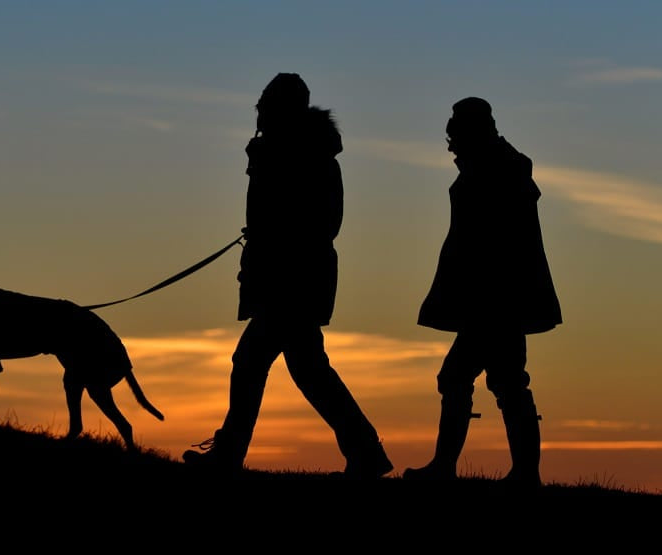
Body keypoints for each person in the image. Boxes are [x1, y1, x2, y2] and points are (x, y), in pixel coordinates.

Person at [182, 73, 393, 478]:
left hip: (292, 280)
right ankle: (366, 453)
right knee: (307, 370)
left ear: (280, 110)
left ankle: (228, 455)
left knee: (253, 362)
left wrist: (272, 234)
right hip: (294, 277)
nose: (258, 111)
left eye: (265, 105)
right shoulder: (288, 153)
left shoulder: (299, 157)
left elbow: (317, 223)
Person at [403, 97, 562, 488]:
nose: (449, 143)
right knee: (501, 382)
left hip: (494, 299)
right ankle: (519, 473)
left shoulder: (496, 170)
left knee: (470, 378)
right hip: (495, 298)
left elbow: (492, 242)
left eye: (454, 133)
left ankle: (459, 468)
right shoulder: (498, 166)